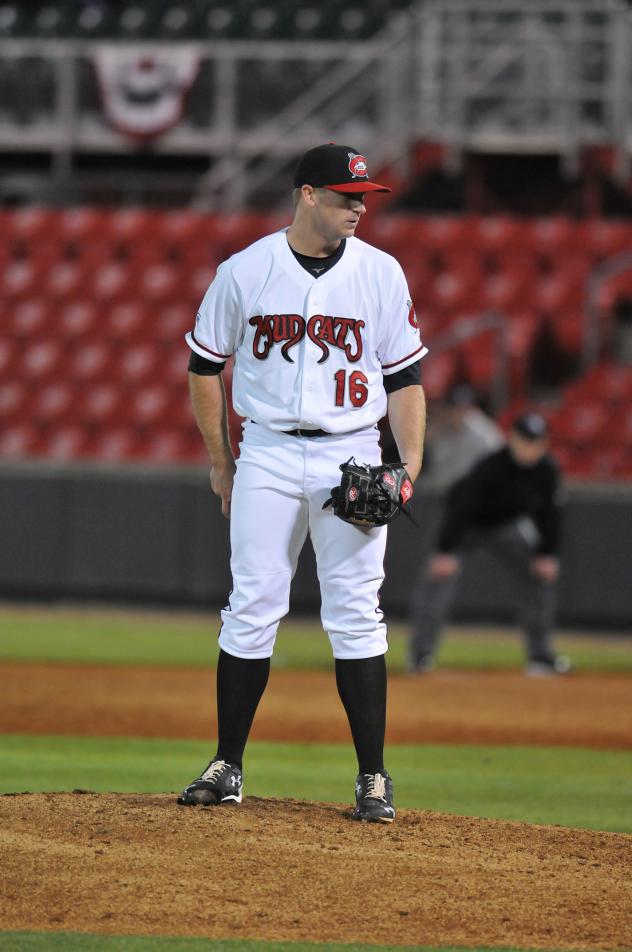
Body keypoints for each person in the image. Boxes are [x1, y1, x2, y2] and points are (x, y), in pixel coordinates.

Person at [179, 143, 427, 823]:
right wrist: (221, 460)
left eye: (364, 197)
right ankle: (227, 764)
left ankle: (372, 777)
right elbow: (205, 364)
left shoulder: (380, 273)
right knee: (253, 604)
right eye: (347, 196)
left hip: (351, 452)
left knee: (355, 611)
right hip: (267, 452)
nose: (358, 207)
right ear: (308, 194)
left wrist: (408, 466)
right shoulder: (247, 271)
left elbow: (405, 379)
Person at [409, 412, 570, 676]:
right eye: (525, 439)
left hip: (506, 526)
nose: (530, 447)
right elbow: (461, 508)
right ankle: (420, 655)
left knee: (540, 576)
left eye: (536, 441)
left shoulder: (547, 470)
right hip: (465, 526)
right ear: (512, 439)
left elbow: (550, 514)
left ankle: (540, 657)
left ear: (545, 443)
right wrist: (446, 551)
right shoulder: (492, 466)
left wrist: (547, 554)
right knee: (438, 578)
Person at [420, 383, 504, 490]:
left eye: (463, 408)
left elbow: (500, 456)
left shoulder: (482, 430)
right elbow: (435, 466)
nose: (458, 413)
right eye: (454, 409)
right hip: (446, 489)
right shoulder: (440, 430)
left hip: (476, 488)